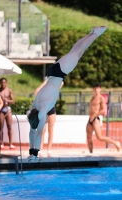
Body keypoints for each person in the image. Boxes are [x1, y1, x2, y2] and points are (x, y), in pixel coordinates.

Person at [27, 26, 107, 161]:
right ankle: (92, 32)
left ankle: (95, 34)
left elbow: (38, 132)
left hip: (59, 74)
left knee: (78, 52)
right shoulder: (35, 105)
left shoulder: (43, 108)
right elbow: (32, 131)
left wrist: (35, 153)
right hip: (52, 73)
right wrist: (31, 152)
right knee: (75, 51)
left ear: (40, 117)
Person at [86, 82, 121, 153]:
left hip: (95, 119)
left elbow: (103, 110)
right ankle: (90, 153)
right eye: (95, 88)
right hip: (90, 119)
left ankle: (116, 143)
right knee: (88, 138)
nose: (96, 89)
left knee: (99, 137)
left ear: (100, 89)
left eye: (97, 88)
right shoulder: (93, 98)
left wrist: (94, 115)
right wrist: (91, 116)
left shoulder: (101, 98)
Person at [33, 77, 64, 156]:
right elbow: (35, 92)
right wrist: (44, 83)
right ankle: (40, 149)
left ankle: (49, 149)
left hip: (51, 110)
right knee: (42, 130)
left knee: (51, 130)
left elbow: (61, 83)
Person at [0, 78, 15, 149]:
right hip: (1, 109)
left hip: (7, 109)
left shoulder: (9, 90)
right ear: (0, 83)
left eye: (4, 83)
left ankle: (10, 143)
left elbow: (13, 101)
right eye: (2, 83)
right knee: (1, 126)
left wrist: (7, 100)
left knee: (9, 126)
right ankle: (1, 143)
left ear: (6, 83)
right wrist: (0, 101)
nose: (3, 84)